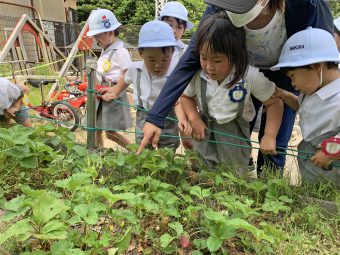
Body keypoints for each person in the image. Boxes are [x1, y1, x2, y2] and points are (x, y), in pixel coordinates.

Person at [137, 0, 333, 173]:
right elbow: (189, 61)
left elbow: (323, 55)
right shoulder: (219, 8)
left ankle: (269, 186)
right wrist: (156, 118)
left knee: (275, 141)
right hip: (240, 72)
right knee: (240, 132)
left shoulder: (305, 4)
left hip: (286, 74)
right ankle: (239, 175)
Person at [180, 12, 282, 173]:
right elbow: (186, 97)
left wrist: (269, 135)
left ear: (235, 55)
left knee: (233, 174)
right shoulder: (198, 75)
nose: (209, 66)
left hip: (235, 134)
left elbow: (274, 102)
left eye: (217, 60)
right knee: (203, 171)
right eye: (203, 58)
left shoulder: (249, 76)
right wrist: (194, 119)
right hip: (205, 129)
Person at [100, 20, 191, 151]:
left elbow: (176, 101)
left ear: (172, 52)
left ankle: (166, 168)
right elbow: (125, 80)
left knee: (168, 146)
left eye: (165, 60)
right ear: (141, 53)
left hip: (168, 116)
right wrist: (114, 91)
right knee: (143, 144)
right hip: (143, 115)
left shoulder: (173, 75)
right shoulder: (134, 69)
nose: (158, 65)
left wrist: (182, 119)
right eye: (152, 60)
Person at [272, 27, 340, 187]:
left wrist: (329, 151)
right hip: (314, 157)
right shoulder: (312, 89)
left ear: (316, 66)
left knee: (330, 201)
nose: (293, 84)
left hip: (332, 162)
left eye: (293, 76)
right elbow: (306, 109)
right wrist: (287, 96)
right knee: (312, 193)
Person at [86, 9, 132, 149]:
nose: (96, 39)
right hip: (102, 92)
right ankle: (98, 151)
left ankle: (136, 153)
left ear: (110, 32)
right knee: (96, 128)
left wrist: (115, 90)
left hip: (113, 94)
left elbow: (128, 72)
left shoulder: (120, 51)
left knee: (110, 132)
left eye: (98, 35)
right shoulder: (107, 49)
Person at [158, 1, 194, 149]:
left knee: (188, 138)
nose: (174, 30)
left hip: (183, 98)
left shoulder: (187, 51)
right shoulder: (154, 49)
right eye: (169, 25)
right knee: (165, 137)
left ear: (184, 30)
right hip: (164, 98)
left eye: (179, 27)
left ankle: (193, 166)